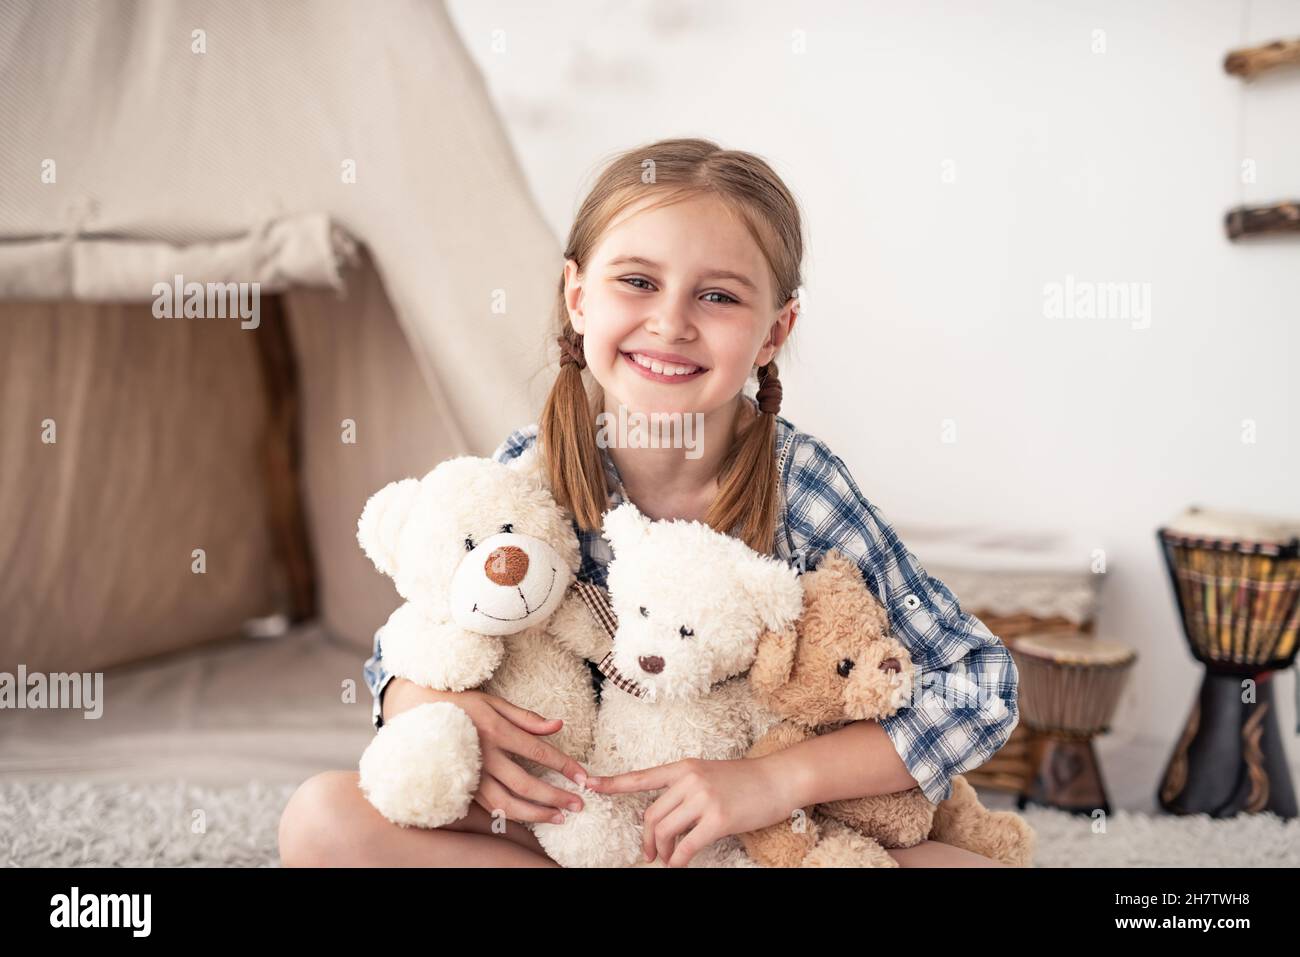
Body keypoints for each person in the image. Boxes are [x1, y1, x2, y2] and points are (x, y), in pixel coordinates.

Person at [279, 137, 1020, 867]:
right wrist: (415, 697)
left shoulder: (803, 486)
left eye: (719, 295)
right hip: (575, 826)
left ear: (775, 331)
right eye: (637, 281)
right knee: (321, 820)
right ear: (577, 297)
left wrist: (771, 781)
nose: (671, 321)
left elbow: (979, 685)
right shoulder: (532, 475)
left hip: (745, 843)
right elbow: (410, 639)